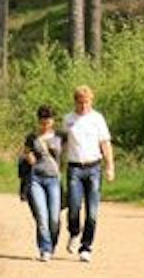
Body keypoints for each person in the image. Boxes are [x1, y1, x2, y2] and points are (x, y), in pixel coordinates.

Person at [60, 83, 116, 263]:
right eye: (80, 102)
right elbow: (63, 144)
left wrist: (110, 167)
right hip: (75, 168)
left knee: (92, 212)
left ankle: (86, 247)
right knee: (74, 207)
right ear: (75, 102)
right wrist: (58, 165)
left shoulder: (97, 119)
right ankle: (74, 233)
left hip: (93, 168)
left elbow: (105, 143)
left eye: (87, 102)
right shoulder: (68, 119)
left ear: (91, 101)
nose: (83, 106)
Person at [22, 104, 65, 262]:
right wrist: (29, 157)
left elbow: (71, 149)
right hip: (36, 179)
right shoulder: (32, 137)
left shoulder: (60, 136)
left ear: (53, 121)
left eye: (48, 121)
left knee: (54, 217)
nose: (45, 125)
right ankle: (45, 248)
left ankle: (51, 245)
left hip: (54, 179)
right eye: (42, 121)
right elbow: (26, 151)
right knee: (41, 215)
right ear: (38, 121)